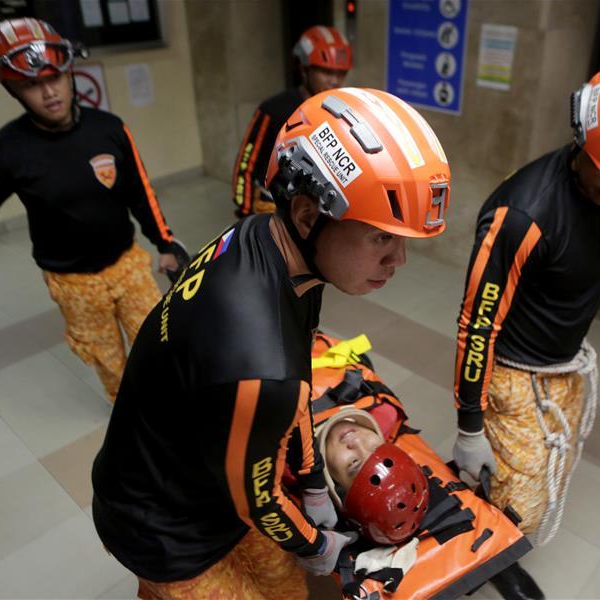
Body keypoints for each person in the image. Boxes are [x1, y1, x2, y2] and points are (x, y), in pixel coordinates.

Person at [91, 87, 451, 598]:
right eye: (381, 238)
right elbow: (255, 499)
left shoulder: (266, 239)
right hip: (161, 524)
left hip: (200, 469)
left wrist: (309, 483)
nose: (399, 261)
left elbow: (298, 381)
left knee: (284, 590)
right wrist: (315, 543)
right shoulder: (260, 358)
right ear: (307, 215)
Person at [452, 56, 600, 597]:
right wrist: (470, 424)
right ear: (582, 132)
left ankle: (489, 534)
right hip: (513, 372)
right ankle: (478, 565)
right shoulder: (523, 215)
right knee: (524, 497)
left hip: (563, 362)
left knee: (545, 477)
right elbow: (477, 324)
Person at [0, 18, 188, 403]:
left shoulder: (110, 129)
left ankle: (169, 409)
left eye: (54, 77)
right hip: (73, 283)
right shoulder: (6, 151)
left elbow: (139, 191)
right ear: (13, 90)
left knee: (158, 344)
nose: (48, 93)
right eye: (31, 84)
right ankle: (132, 419)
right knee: (110, 363)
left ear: (69, 71)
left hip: (129, 267)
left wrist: (165, 242)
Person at [231, 25, 352, 217]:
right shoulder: (273, 110)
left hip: (313, 217)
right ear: (304, 69)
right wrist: (245, 214)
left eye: (341, 73)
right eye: (326, 72)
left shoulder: (339, 113)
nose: (335, 81)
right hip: (272, 211)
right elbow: (246, 165)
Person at [318, 408, 429, 546]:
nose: (356, 441)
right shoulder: (385, 413)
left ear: (336, 487)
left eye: (354, 463)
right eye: (375, 448)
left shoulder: (288, 454)